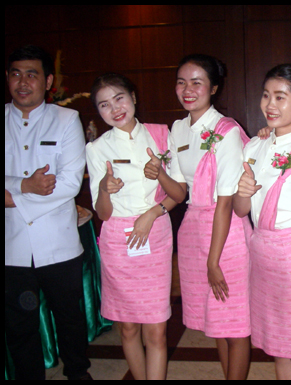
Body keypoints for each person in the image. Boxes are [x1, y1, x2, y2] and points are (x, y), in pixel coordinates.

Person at [86, 73, 185, 380]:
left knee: (156, 330)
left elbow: (179, 193)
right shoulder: (96, 148)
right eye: (104, 105)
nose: (114, 108)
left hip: (154, 232)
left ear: (133, 97)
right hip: (118, 239)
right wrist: (104, 188)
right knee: (128, 327)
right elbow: (102, 213)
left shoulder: (160, 134)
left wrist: (152, 212)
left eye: (119, 98)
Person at [234, 64, 291, 380]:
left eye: (280, 97)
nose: (270, 105)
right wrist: (243, 193)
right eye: (265, 96)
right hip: (261, 259)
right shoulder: (254, 146)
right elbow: (240, 210)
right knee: (279, 349)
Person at [5, 45, 91, 380]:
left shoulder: (66, 119)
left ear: (48, 80)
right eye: (15, 73)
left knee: (70, 318)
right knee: (18, 325)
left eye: (32, 74)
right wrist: (25, 187)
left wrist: (9, 195)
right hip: (11, 247)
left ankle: (78, 373)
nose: (23, 81)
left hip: (59, 244)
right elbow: (37, 185)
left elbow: (68, 183)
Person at [163, 54, 252, 380]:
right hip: (193, 231)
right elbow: (179, 190)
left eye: (197, 82)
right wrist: (158, 174)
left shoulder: (225, 130)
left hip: (225, 237)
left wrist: (213, 261)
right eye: (182, 81)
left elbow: (226, 202)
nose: (188, 89)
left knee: (235, 325)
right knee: (217, 322)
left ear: (213, 88)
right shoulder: (179, 128)